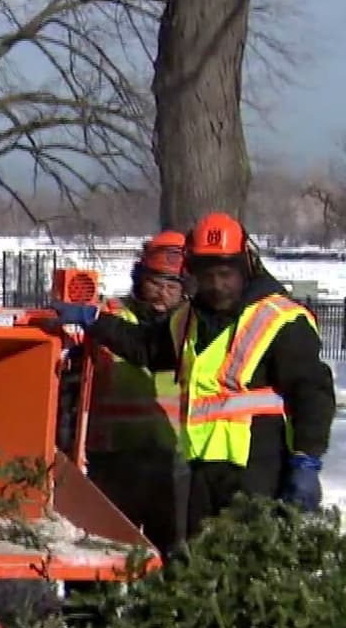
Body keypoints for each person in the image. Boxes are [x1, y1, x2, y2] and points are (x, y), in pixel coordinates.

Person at [53, 211, 336, 538]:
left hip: (258, 470)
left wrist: (306, 460)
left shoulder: (280, 318)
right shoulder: (189, 320)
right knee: (197, 559)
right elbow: (146, 346)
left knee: (244, 557)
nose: (217, 285)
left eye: (225, 274)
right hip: (200, 471)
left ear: (246, 265)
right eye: (207, 275)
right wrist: (94, 320)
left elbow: (312, 393)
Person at [84, 230, 189, 556]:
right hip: (112, 460)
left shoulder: (191, 329)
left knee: (174, 556)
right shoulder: (108, 317)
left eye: (172, 287)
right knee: (103, 553)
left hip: (172, 462)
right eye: (155, 283)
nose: (162, 294)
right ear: (139, 279)